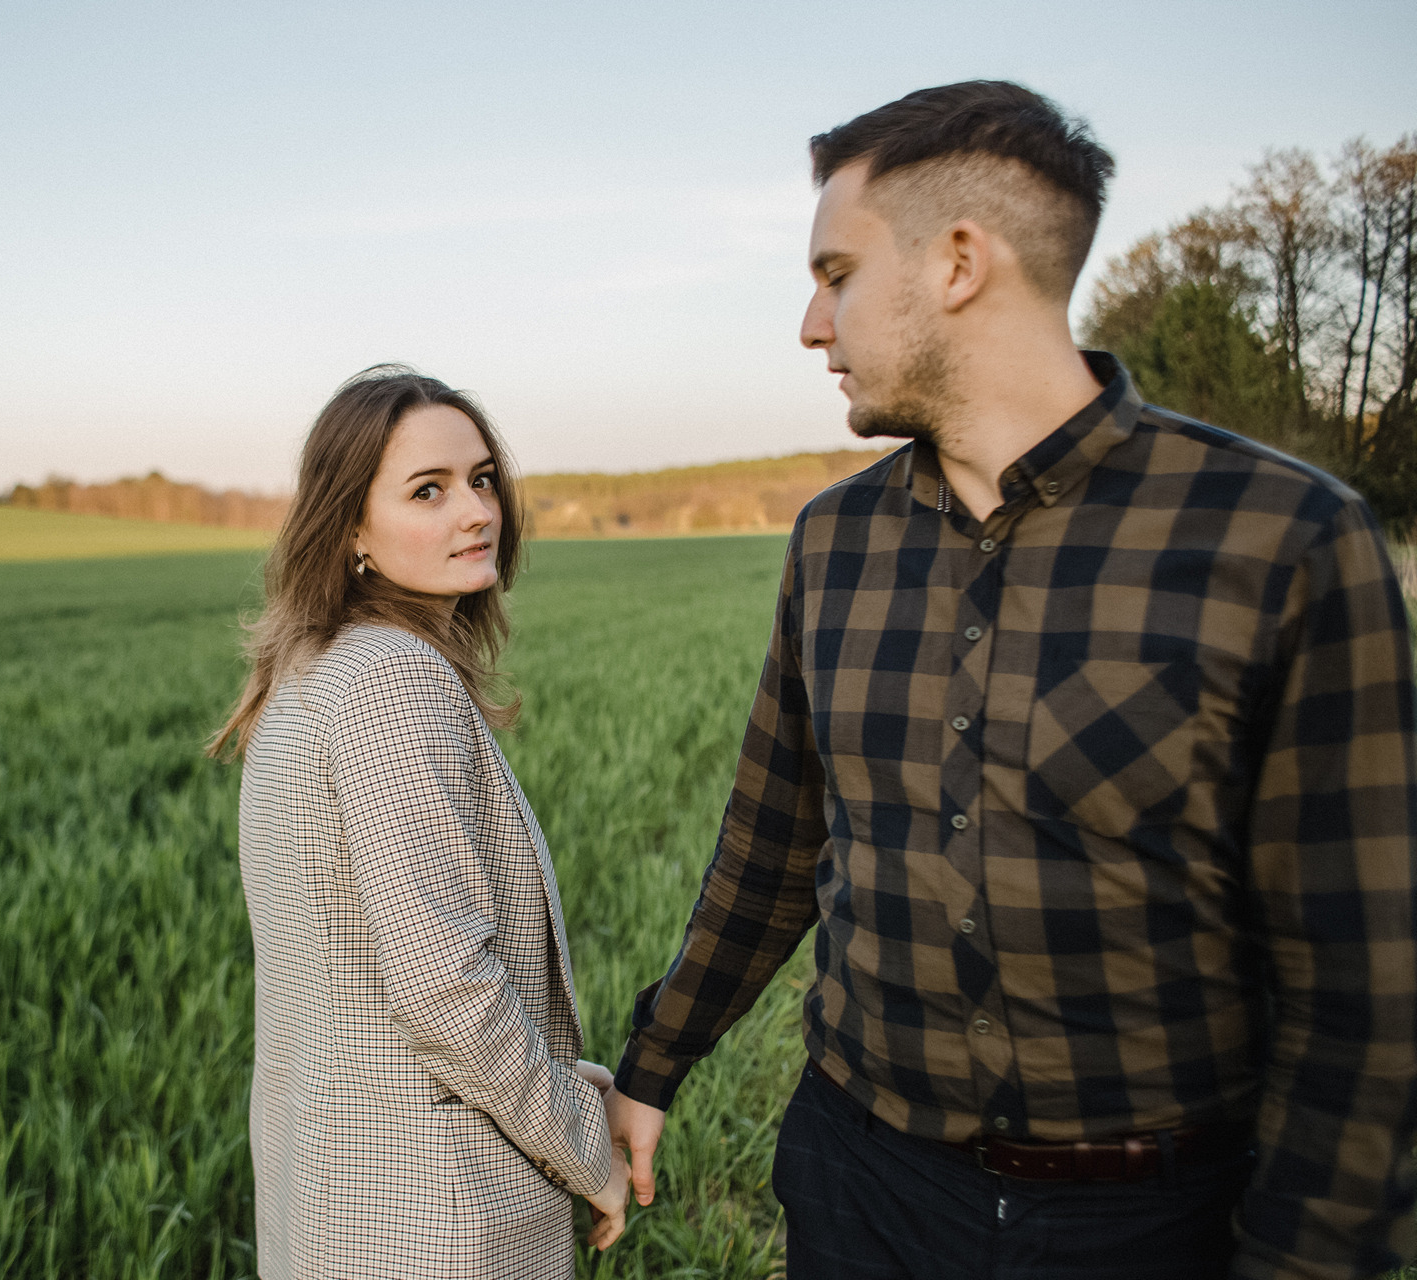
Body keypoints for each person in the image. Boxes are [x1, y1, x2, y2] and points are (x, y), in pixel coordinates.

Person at [602, 81, 1417, 1279]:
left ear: (960, 263)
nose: (811, 325)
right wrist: (652, 1063)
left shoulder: (1282, 539)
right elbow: (772, 844)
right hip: (857, 1182)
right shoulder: (833, 542)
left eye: (835, 273)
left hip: (1152, 1223)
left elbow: (1361, 985)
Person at [211, 365, 631, 1278]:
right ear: (352, 525)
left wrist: (572, 1085)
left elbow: (357, 968)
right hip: (432, 1217)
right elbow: (447, 987)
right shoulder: (394, 682)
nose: (477, 512)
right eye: (428, 491)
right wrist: (585, 1153)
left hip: (336, 1197)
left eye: (481, 479)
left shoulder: (313, 670)